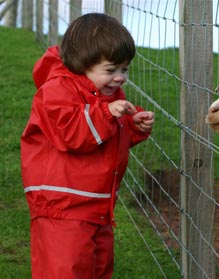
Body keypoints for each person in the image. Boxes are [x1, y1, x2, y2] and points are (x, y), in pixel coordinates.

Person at [20, 13, 154, 279]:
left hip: (97, 206)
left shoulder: (105, 93)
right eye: (111, 69)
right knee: (65, 270)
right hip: (61, 207)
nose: (119, 78)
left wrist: (131, 125)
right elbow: (70, 132)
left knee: (98, 269)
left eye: (124, 69)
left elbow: (104, 138)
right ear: (83, 63)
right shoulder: (56, 90)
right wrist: (107, 115)